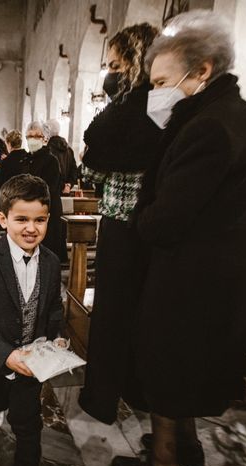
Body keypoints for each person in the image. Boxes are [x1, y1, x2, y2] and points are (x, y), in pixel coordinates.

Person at [111, 12, 246, 466]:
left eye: (162, 81)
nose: (157, 92)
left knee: (169, 367)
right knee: (188, 368)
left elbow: (166, 219)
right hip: (217, 274)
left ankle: (163, 463)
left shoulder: (207, 127)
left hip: (189, 277)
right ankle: (186, 446)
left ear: (202, 70)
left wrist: (140, 219)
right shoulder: (242, 117)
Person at [78, 23, 161, 427]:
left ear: (133, 59)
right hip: (154, 223)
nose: (110, 72)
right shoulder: (167, 104)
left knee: (111, 312)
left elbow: (92, 156)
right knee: (144, 313)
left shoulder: (128, 105)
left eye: (114, 63)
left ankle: (101, 398)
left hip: (121, 220)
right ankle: (138, 389)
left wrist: (94, 163)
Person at [0, 174, 63, 466]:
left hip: (31, 360)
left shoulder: (51, 261)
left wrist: (56, 337)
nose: (31, 228)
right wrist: (5, 354)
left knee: (28, 421)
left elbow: (54, 308)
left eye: (40, 220)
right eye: (22, 219)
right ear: (3, 219)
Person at [21, 121, 66, 261]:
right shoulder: (27, 159)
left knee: (47, 256)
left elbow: (48, 188)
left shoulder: (51, 160)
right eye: (29, 136)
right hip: (31, 209)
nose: (32, 139)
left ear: (43, 138)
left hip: (47, 211)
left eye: (36, 135)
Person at [46, 119, 77, 195]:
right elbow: (74, 170)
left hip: (51, 192)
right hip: (66, 191)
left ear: (47, 132)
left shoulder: (47, 150)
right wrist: (68, 185)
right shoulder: (69, 149)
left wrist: (63, 186)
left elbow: (51, 173)